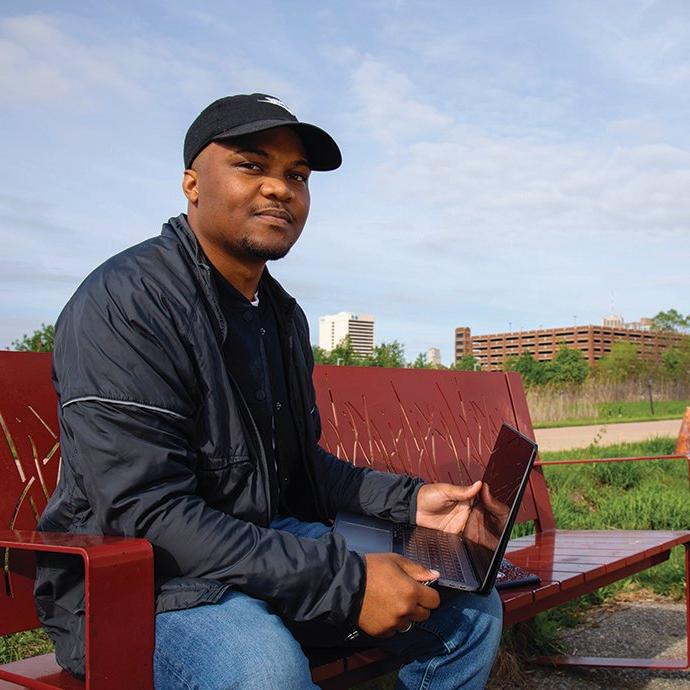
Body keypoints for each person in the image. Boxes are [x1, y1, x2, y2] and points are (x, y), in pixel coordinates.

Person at [34, 94, 503, 689]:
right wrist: (346, 581)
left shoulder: (279, 314)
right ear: (192, 184)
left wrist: (411, 502)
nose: (280, 188)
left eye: (296, 176)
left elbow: (299, 467)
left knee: (468, 609)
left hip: (255, 541)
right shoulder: (128, 303)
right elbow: (144, 511)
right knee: (264, 671)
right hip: (139, 578)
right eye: (252, 165)